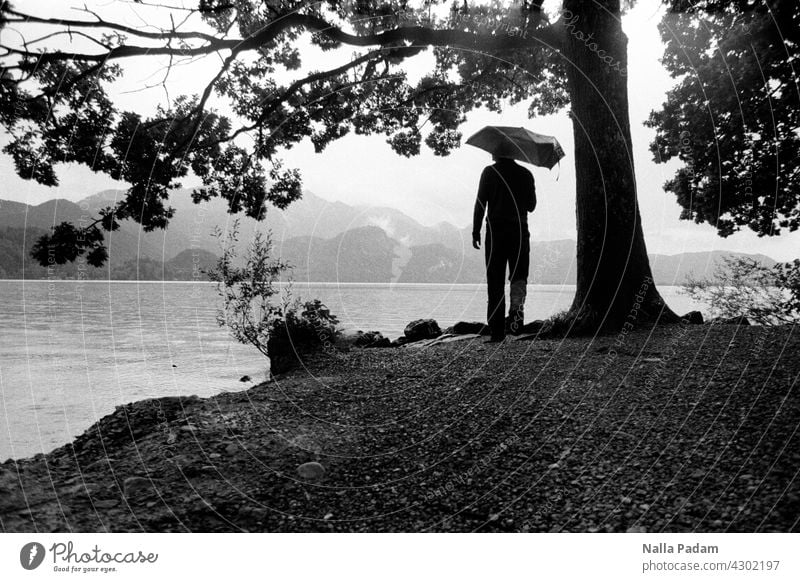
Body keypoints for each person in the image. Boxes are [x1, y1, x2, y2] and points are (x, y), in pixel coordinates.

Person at [472, 152, 537, 342]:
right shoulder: (526, 174)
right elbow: (531, 206)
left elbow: (480, 203)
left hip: (495, 233)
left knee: (495, 281)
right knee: (518, 278)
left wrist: (476, 231)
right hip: (519, 232)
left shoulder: (489, 173)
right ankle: (516, 325)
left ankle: (497, 332)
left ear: (499, 151)